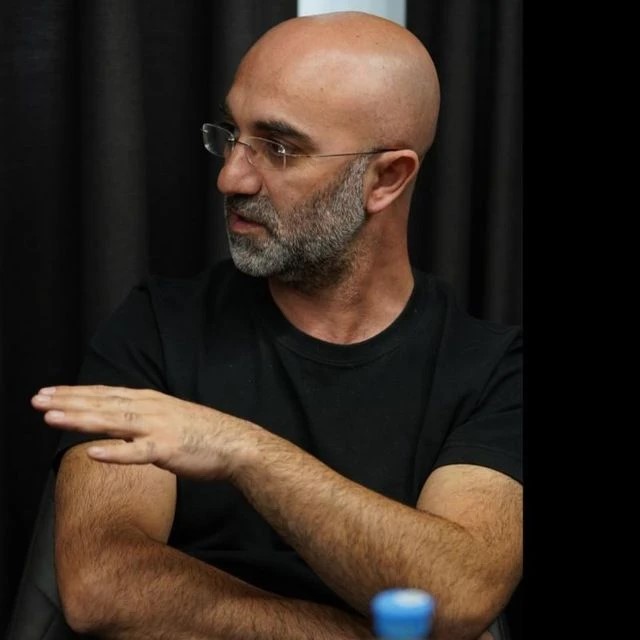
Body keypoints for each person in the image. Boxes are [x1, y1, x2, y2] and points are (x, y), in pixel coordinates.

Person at [31, 10, 522, 640]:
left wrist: (243, 453)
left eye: (280, 148)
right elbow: (103, 585)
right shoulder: (155, 328)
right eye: (232, 135)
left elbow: (456, 593)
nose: (230, 177)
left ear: (386, 178)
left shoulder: (492, 371)